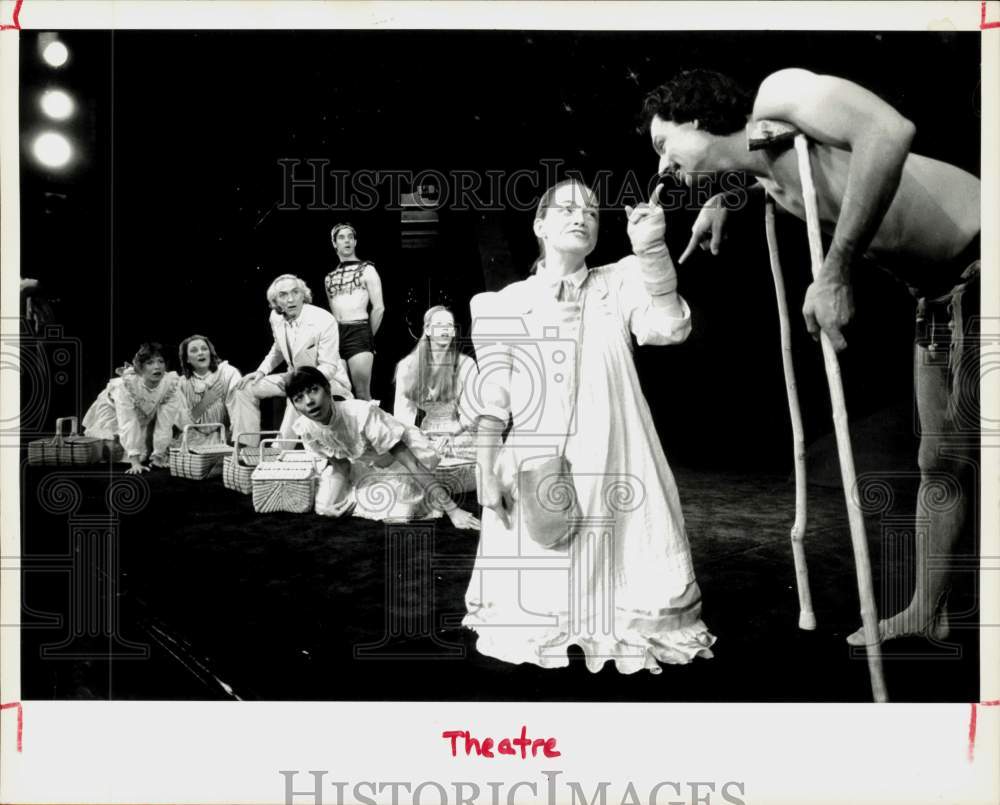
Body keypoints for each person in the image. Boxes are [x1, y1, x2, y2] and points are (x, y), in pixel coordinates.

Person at [642, 68, 981, 645]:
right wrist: (727, 195)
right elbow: (781, 167)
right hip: (935, 295)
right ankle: (930, 609)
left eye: (662, 143)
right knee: (939, 462)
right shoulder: (773, 175)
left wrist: (836, 268)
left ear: (696, 119)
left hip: (984, 260)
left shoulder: (781, 94)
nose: (661, 167)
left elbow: (889, 131)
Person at [464, 179, 716, 674]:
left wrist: (651, 250)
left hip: (617, 444)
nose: (581, 218)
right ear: (538, 225)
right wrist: (485, 470)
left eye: (592, 214)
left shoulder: (619, 279)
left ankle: (622, 625)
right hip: (540, 453)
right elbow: (494, 398)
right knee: (545, 556)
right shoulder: (500, 304)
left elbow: (668, 328)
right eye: (566, 210)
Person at [287, 366, 480, 529]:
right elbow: (341, 465)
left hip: (403, 461)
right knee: (324, 507)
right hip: (369, 464)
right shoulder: (307, 428)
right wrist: (328, 505)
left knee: (398, 513)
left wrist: (453, 510)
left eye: (313, 390)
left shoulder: (360, 414)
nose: (309, 401)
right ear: (295, 406)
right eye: (299, 398)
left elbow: (412, 463)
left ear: (327, 390)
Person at [235, 273, 352, 438]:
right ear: (275, 301)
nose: (290, 299)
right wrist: (261, 371)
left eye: (295, 292)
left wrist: (296, 382)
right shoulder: (275, 317)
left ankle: (279, 450)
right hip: (292, 377)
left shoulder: (324, 319)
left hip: (327, 381)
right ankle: (248, 446)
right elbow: (278, 349)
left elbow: (329, 367)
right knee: (245, 388)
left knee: (297, 395)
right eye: (283, 295)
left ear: (303, 295)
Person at [82, 342, 185, 474]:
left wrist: (158, 455)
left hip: (142, 412)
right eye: (150, 363)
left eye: (161, 361)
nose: (157, 367)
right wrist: (135, 462)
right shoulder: (125, 386)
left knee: (146, 452)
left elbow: (166, 421)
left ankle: (150, 455)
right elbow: (128, 421)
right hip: (112, 410)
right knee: (115, 452)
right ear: (141, 367)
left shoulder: (170, 385)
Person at [393, 305, 478, 459]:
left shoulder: (466, 364)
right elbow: (402, 414)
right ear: (427, 330)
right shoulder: (408, 366)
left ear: (453, 332)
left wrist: (453, 433)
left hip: (459, 432)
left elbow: (472, 412)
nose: (444, 330)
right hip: (426, 433)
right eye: (439, 325)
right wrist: (414, 438)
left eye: (449, 326)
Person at [324, 223, 385, 400]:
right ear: (334, 243)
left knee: (361, 392)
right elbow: (334, 312)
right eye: (341, 237)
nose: (347, 241)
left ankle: (369, 428)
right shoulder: (329, 277)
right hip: (336, 334)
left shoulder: (367, 269)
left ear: (356, 241)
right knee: (339, 391)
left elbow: (379, 308)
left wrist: (368, 337)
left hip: (359, 330)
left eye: (350, 237)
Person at [174, 335, 256, 447]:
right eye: (194, 350)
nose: (200, 353)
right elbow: (181, 423)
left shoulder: (226, 373)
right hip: (193, 442)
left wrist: (235, 437)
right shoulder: (181, 384)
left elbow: (238, 407)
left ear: (210, 353)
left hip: (224, 439)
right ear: (187, 358)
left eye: (204, 349)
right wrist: (205, 402)